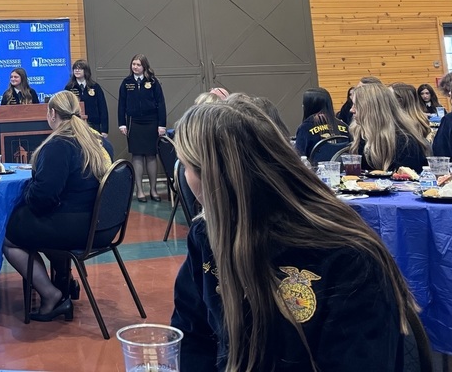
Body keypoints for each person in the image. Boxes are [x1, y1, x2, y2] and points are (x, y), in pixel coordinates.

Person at [171, 99, 422, 372]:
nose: (182, 179)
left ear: (215, 176)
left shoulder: (347, 257)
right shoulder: (206, 236)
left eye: (186, 167)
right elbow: (191, 338)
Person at [2, 90, 112, 322]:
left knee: (9, 237)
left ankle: (52, 295)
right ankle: (63, 279)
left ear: (52, 113)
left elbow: (42, 199)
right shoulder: (102, 143)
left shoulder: (58, 146)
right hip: (103, 226)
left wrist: (28, 191)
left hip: (75, 227)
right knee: (40, 224)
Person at [117, 54, 166, 202]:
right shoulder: (126, 83)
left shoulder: (153, 82)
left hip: (151, 122)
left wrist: (161, 125)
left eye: (138, 64)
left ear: (144, 66)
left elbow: (161, 104)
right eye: (133, 64)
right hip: (134, 122)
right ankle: (139, 190)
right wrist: (122, 123)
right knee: (137, 156)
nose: (135, 67)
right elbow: (121, 105)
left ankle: (153, 189)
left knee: (151, 155)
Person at [350, 82, 428, 172]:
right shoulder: (361, 137)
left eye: (356, 105)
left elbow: (407, 182)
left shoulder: (404, 142)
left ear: (373, 110)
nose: (351, 110)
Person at [293, 87, 348, 159]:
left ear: (309, 106)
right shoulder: (344, 126)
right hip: (343, 168)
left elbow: (299, 157)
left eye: (304, 103)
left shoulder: (305, 128)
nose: (302, 106)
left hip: (315, 169)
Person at [65, 59, 109, 136]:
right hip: (76, 125)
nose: (77, 70)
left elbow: (103, 108)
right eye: (75, 69)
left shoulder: (95, 87)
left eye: (80, 68)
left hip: (94, 125)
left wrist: (104, 129)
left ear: (86, 71)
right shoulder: (69, 88)